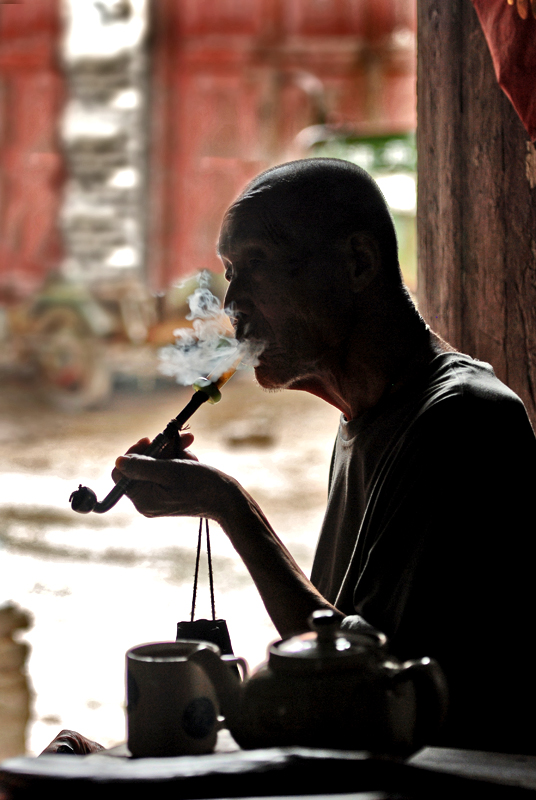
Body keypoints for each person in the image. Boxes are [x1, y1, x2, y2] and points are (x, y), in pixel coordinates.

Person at [64, 158, 536, 755]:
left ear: (358, 263)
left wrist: (229, 506)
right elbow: (337, 654)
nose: (233, 304)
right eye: (230, 271)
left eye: (255, 264)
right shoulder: (363, 424)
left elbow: (368, 692)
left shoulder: (462, 422)